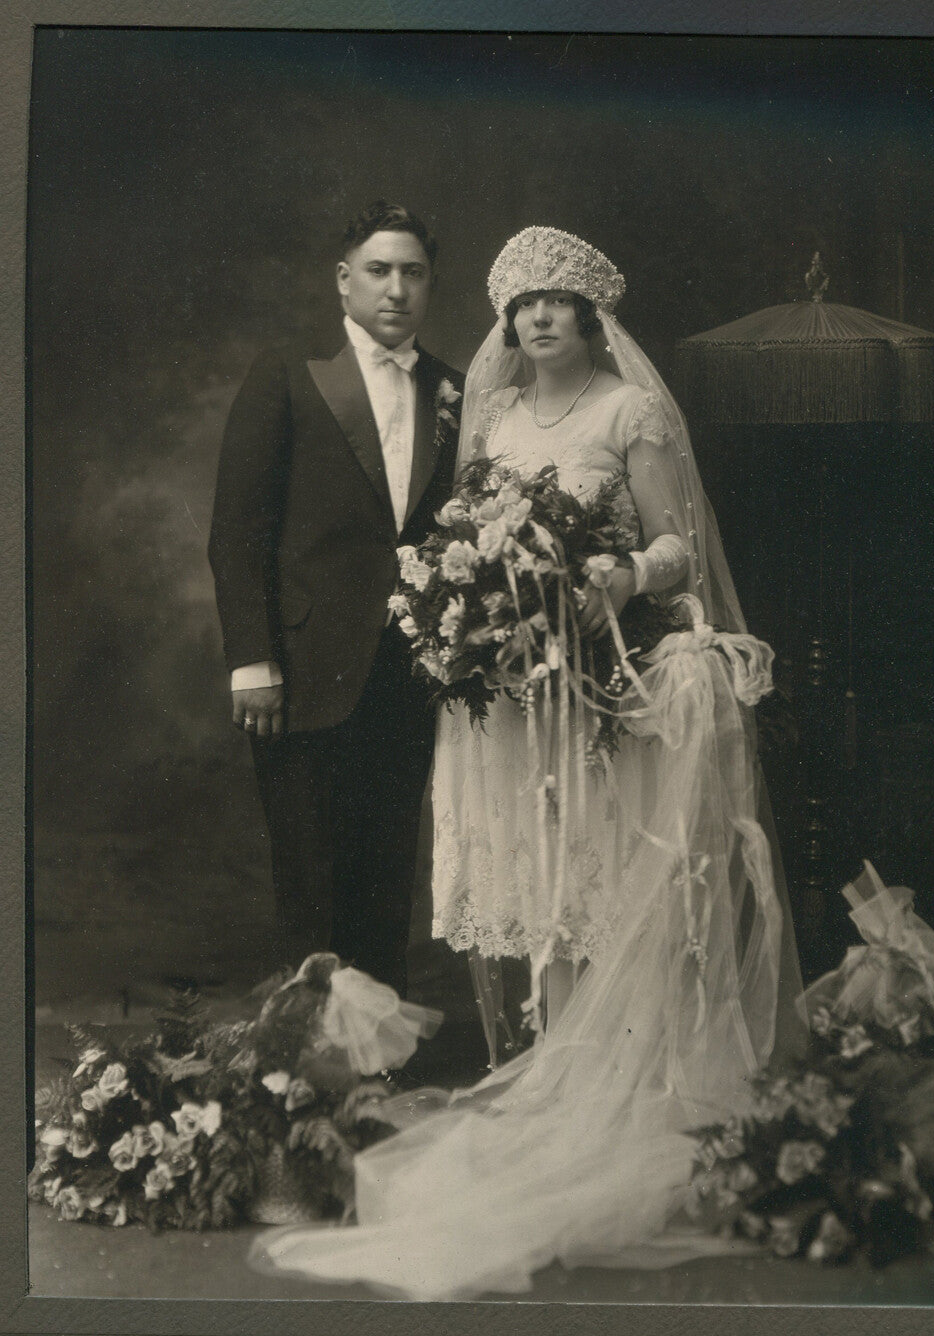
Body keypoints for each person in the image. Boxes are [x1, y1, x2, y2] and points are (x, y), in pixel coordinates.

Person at [250, 227, 805, 1299]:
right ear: (508, 322)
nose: (541, 318)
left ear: (594, 318)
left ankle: (606, 1075)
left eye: (560, 302)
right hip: (507, 693)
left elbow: (676, 544)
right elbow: (463, 531)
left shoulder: (629, 411)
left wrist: (615, 576)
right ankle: (546, 1070)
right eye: (524, 304)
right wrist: (473, 609)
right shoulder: (494, 416)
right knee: (536, 875)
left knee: (595, 869)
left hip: (597, 680)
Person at [208, 201, 464, 996]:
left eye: (413, 274)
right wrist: (252, 658)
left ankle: (376, 1062)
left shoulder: (456, 389)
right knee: (310, 873)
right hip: (302, 666)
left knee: (387, 865)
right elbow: (237, 529)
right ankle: (312, 1059)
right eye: (380, 271)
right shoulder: (288, 373)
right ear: (343, 280)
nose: (396, 290)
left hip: (408, 670)